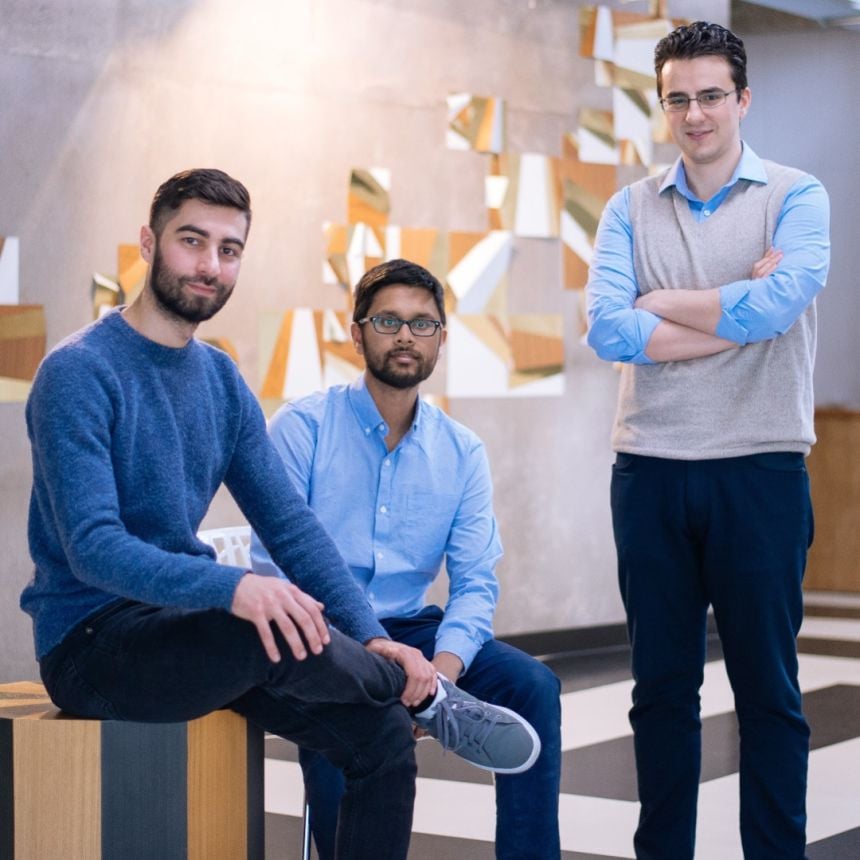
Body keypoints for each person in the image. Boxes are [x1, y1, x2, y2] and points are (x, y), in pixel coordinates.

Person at [21, 169, 538, 860]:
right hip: (91, 645)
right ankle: (425, 694)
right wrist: (237, 588)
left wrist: (370, 635)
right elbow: (93, 547)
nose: (210, 265)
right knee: (257, 625)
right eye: (192, 241)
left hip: (183, 631)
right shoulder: (78, 372)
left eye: (229, 249)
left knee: (382, 739)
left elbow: (291, 528)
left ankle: (406, 692)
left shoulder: (220, 379)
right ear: (148, 242)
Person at [586, 21, 830, 860]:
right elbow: (608, 331)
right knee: (660, 693)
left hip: (760, 469)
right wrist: (734, 314)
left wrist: (662, 302)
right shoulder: (628, 207)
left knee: (769, 693)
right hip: (650, 472)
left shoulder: (796, 196)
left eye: (711, 95)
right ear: (663, 106)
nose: (695, 114)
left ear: (743, 99)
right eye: (678, 99)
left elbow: (782, 304)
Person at [251, 258, 562, 860]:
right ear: (357, 332)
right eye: (388, 321)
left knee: (533, 686)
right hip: (324, 631)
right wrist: (371, 658)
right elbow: (276, 566)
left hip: (411, 627)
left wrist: (440, 672)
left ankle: (432, 702)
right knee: (363, 712)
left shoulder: (461, 452)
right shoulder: (302, 428)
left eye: (422, 324)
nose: (405, 336)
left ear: (441, 339)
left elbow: (475, 581)